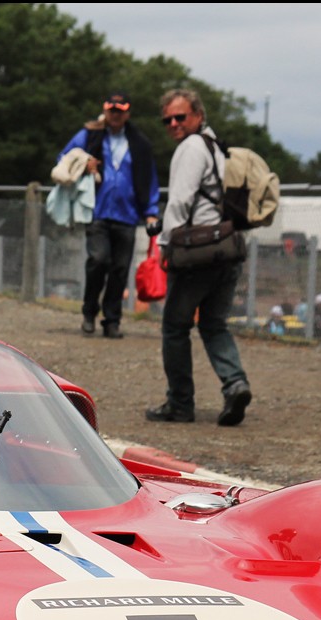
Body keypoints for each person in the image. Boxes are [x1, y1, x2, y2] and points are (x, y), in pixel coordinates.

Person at [146, 88, 253, 427]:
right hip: (228, 248)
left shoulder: (191, 148)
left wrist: (167, 244)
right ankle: (235, 384)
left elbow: (180, 200)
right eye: (167, 120)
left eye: (180, 117)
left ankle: (180, 403)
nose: (173, 124)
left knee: (175, 327)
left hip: (198, 252)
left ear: (198, 115)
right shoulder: (216, 146)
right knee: (213, 323)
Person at [58, 92, 159, 338]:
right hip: (97, 211)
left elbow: (150, 179)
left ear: (127, 113)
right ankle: (89, 311)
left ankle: (112, 320)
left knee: (120, 268)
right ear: (105, 110)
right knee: (99, 260)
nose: (115, 115)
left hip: (127, 214)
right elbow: (64, 158)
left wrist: (150, 212)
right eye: (111, 110)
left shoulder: (140, 143)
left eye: (120, 111)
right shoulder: (90, 135)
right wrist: (84, 165)